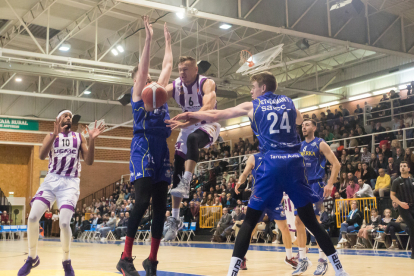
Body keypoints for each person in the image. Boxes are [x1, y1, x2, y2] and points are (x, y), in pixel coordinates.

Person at [166, 71, 348, 276]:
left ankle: (232, 272)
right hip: (294, 164)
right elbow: (298, 120)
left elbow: (217, 114)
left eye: (253, 87)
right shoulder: (289, 102)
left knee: (250, 221)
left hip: (271, 164)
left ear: (262, 88)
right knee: (311, 221)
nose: (251, 91)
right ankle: (340, 271)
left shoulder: (253, 105)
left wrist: (192, 115)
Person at [116, 17, 173, 276]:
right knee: (142, 202)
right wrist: (149, 39)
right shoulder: (140, 92)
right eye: (144, 74)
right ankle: (125, 257)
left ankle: (152, 259)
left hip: (162, 148)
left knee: (161, 205)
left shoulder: (158, 91)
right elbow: (145, 66)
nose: (149, 76)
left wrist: (169, 42)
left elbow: (168, 65)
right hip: (143, 147)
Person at [18, 110, 105, 276]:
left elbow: (89, 161)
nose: (68, 118)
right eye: (65, 116)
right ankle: (32, 257)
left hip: (70, 182)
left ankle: (66, 261)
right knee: (33, 217)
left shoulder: (79, 137)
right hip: (51, 180)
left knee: (65, 223)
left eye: (70, 116)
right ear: (57, 120)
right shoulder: (51, 135)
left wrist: (92, 140)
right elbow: (42, 156)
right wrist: (54, 135)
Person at [163, 54, 221, 241]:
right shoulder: (176, 85)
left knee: (193, 139)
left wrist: (189, 118)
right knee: (177, 168)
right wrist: (150, 88)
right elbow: (158, 94)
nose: (182, 73)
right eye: (180, 70)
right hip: (187, 125)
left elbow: (209, 106)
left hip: (207, 122)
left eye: (186, 69)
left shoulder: (206, 83)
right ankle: (175, 219)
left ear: (196, 70)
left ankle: (188, 181)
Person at [295, 119, 341, 275]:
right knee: (298, 221)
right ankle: (302, 260)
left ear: (314, 127)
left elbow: (336, 164)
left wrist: (330, 183)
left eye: (307, 125)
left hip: (316, 185)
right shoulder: (300, 146)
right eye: (302, 125)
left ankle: (322, 260)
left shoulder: (320, 143)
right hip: (301, 186)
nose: (304, 127)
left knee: (315, 222)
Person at [235, 154, 298, 268]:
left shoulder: (277, 157)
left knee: (284, 228)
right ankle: (242, 256)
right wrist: (240, 181)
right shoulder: (254, 157)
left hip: (274, 198)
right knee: (251, 229)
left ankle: (289, 257)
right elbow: (244, 173)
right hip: (259, 197)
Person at [390, 161, 414, 258]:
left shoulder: (412, 180)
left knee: (413, 229)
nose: (402, 167)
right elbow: (392, 195)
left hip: (413, 206)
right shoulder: (396, 181)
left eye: (404, 166)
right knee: (412, 226)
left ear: (408, 169)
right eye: (401, 166)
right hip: (403, 208)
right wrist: (400, 203)